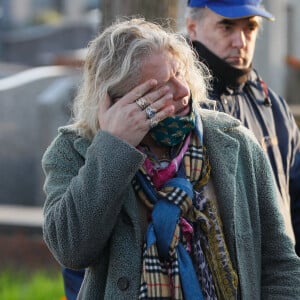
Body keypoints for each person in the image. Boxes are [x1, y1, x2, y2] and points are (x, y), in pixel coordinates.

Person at [42, 18, 300, 299]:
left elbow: (281, 263)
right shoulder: (75, 149)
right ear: (121, 99)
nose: (183, 91)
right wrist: (113, 147)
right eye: (162, 86)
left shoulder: (236, 142)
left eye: (180, 73)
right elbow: (71, 249)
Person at [186, 0, 300, 255]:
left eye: (249, 27)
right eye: (226, 27)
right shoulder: (178, 107)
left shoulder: (274, 107)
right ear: (192, 27)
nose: (241, 41)